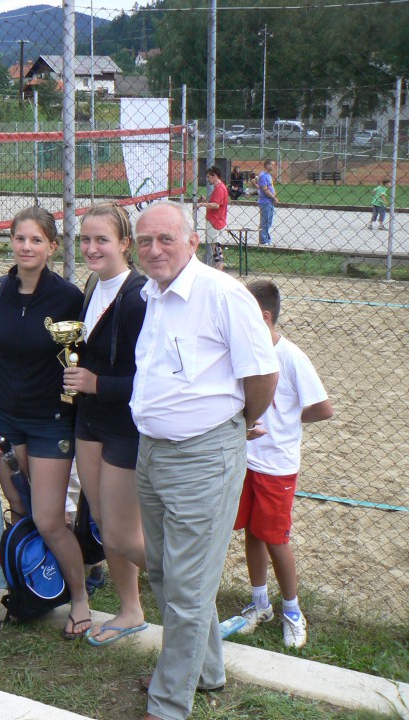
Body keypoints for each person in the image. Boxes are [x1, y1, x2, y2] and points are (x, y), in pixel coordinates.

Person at [130, 203, 278, 720]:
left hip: (202, 456)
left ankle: (169, 703)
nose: (154, 250)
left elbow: (262, 374)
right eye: (145, 241)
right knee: (166, 573)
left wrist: (236, 423)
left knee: (187, 586)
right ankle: (203, 670)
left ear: (192, 242)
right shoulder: (153, 293)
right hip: (152, 452)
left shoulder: (222, 295)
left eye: (166, 240)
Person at [0, 206, 89, 639]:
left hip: (50, 423)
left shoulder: (67, 298)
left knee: (48, 518)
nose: (27, 247)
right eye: (20, 238)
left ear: (52, 247)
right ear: (11, 241)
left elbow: (77, 362)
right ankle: (33, 593)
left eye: (37, 240)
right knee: (19, 510)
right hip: (4, 421)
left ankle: (79, 597)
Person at [62, 204, 149, 647]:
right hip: (89, 421)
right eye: (86, 239)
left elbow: (152, 377)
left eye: (102, 240)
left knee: (119, 531)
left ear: (124, 244)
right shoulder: (93, 284)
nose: (92, 248)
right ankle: (130, 608)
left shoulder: (139, 296)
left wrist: (98, 383)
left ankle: (188, 582)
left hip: (124, 427)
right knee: (102, 523)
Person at [235, 280, 333, 649]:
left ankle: (292, 609)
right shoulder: (245, 353)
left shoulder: (291, 356)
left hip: (277, 466)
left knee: (275, 538)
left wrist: (289, 420)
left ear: (264, 316)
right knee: (251, 532)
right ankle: (260, 603)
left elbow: (323, 408)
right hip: (245, 461)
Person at [198, 165, 228, 248]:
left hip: (215, 220)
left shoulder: (219, 188)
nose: (208, 179)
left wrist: (201, 204)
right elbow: (215, 204)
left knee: (215, 245)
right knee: (214, 245)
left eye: (209, 177)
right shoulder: (219, 187)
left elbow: (216, 205)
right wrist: (205, 201)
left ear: (214, 175)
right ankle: (217, 260)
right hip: (215, 219)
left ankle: (219, 260)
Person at [258, 159, 277, 246]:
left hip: (270, 202)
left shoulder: (268, 175)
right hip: (265, 201)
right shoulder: (262, 176)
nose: (273, 167)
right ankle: (263, 240)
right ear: (267, 165)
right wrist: (274, 197)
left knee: (268, 221)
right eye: (271, 165)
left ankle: (267, 238)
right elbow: (265, 189)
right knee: (264, 222)